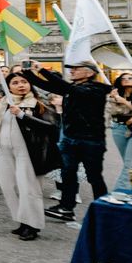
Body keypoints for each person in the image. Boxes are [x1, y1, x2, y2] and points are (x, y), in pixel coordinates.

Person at [24, 59, 109, 222]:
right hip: (71, 138)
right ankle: (66, 208)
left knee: (94, 176)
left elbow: (64, 87)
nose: (72, 71)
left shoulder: (97, 89)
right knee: (68, 174)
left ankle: (103, 208)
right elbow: (47, 86)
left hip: (91, 140)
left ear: (90, 73)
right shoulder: (73, 88)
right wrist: (27, 73)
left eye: (77, 69)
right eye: (72, 69)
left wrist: (42, 70)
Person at [0, 72, 58, 241]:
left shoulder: (38, 104)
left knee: (29, 188)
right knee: (10, 187)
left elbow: (51, 126)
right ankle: (22, 220)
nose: (20, 85)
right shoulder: (4, 103)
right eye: (15, 82)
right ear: (8, 86)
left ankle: (33, 225)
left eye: (24, 82)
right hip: (4, 150)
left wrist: (22, 116)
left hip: (28, 153)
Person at [107, 73, 132, 192]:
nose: (126, 80)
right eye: (123, 78)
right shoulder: (115, 94)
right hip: (119, 128)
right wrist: (113, 99)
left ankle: (119, 193)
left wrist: (124, 102)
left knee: (131, 162)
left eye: (130, 78)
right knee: (129, 162)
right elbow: (113, 112)